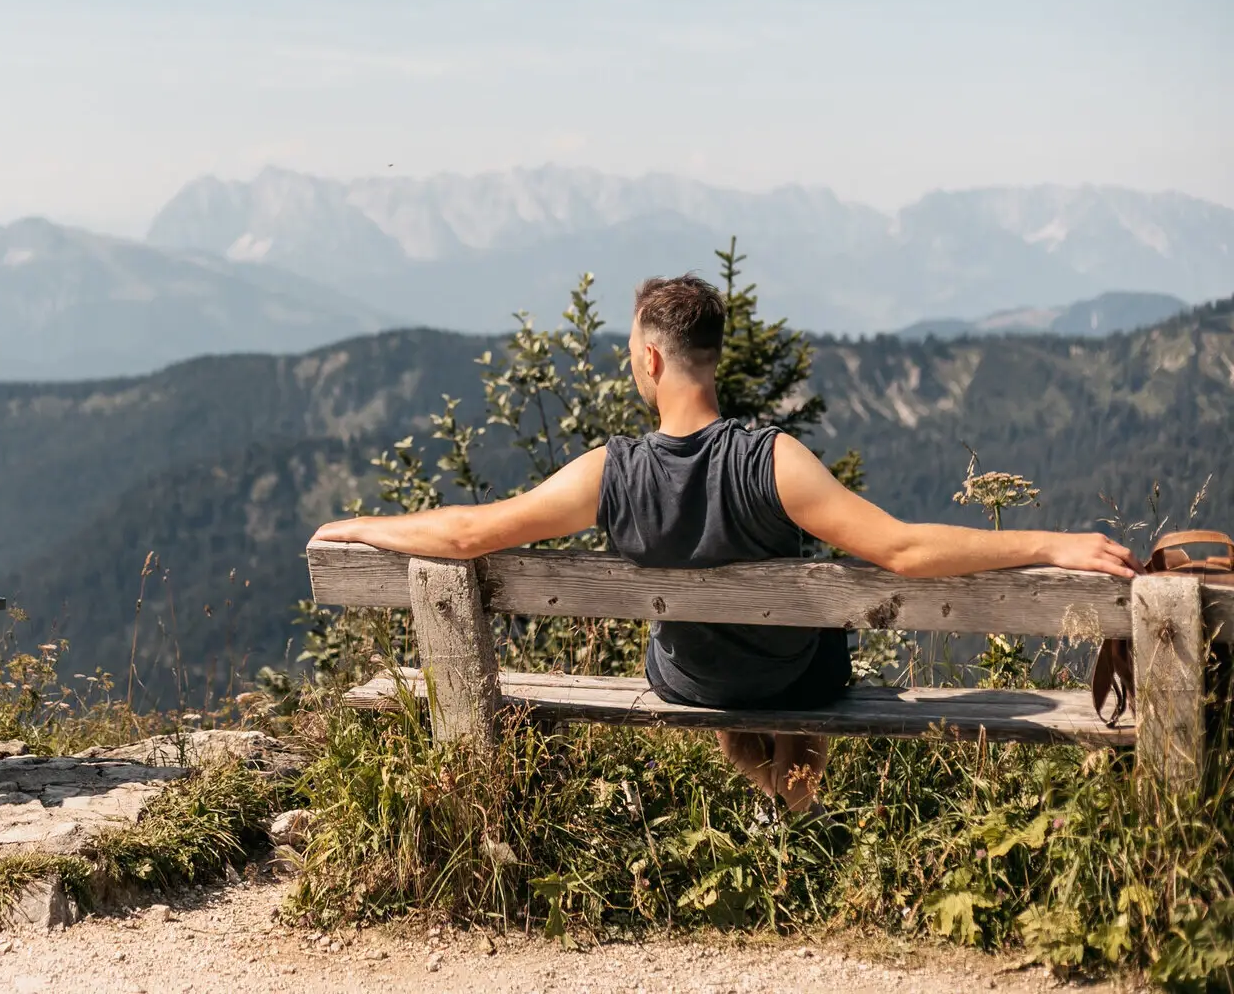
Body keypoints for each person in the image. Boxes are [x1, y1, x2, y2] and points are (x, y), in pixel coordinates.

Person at [309, 275, 1136, 813]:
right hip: (795, 675)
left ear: (650, 359)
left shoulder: (610, 471)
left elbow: (467, 531)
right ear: (711, 358)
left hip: (686, 680)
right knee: (812, 650)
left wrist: (360, 526)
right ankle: (796, 799)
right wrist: (1051, 540)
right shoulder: (772, 458)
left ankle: (768, 785)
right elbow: (903, 549)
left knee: (691, 645)